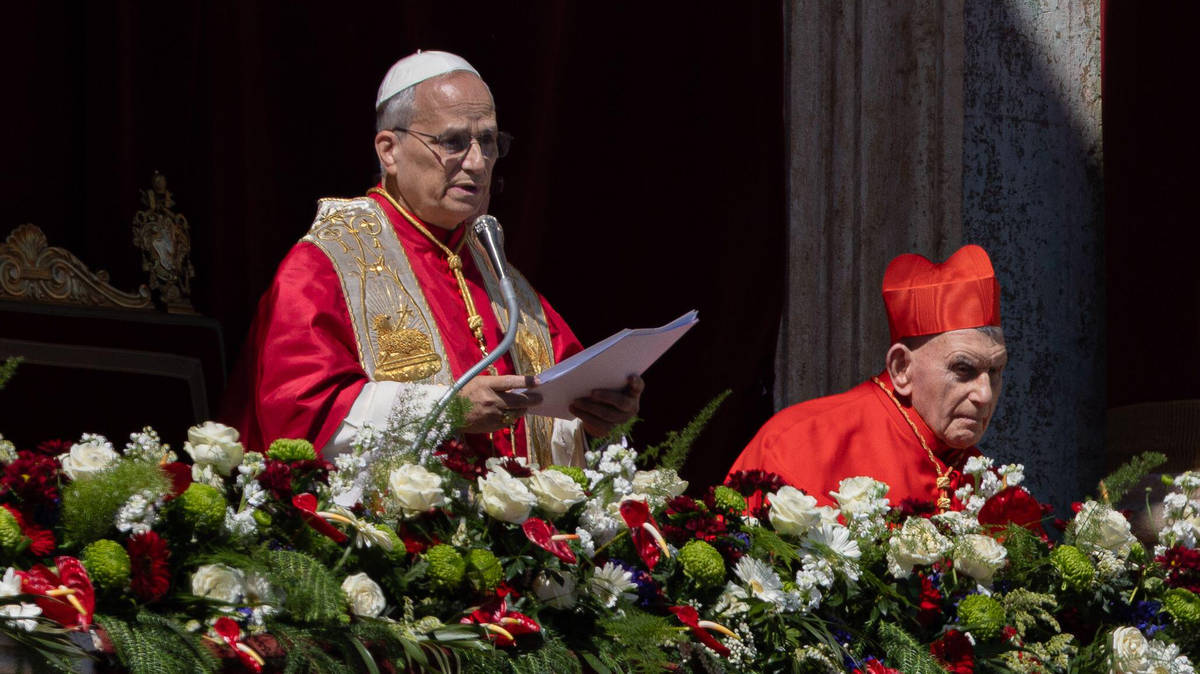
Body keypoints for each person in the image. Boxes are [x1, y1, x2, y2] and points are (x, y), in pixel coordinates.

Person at [223, 51, 643, 466]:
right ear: (389, 150)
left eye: (489, 142)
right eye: (454, 142)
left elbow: (558, 392)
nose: (478, 163)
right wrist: (445, 411)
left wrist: (594, 411)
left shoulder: (498, 277)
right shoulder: (328, 263)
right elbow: (301, 413)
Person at [727, 244, 1006, 511]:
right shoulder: (796, 443)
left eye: (994, 371)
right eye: (963, 369)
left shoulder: (991, 487)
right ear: (901, 368)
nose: (985, 395)